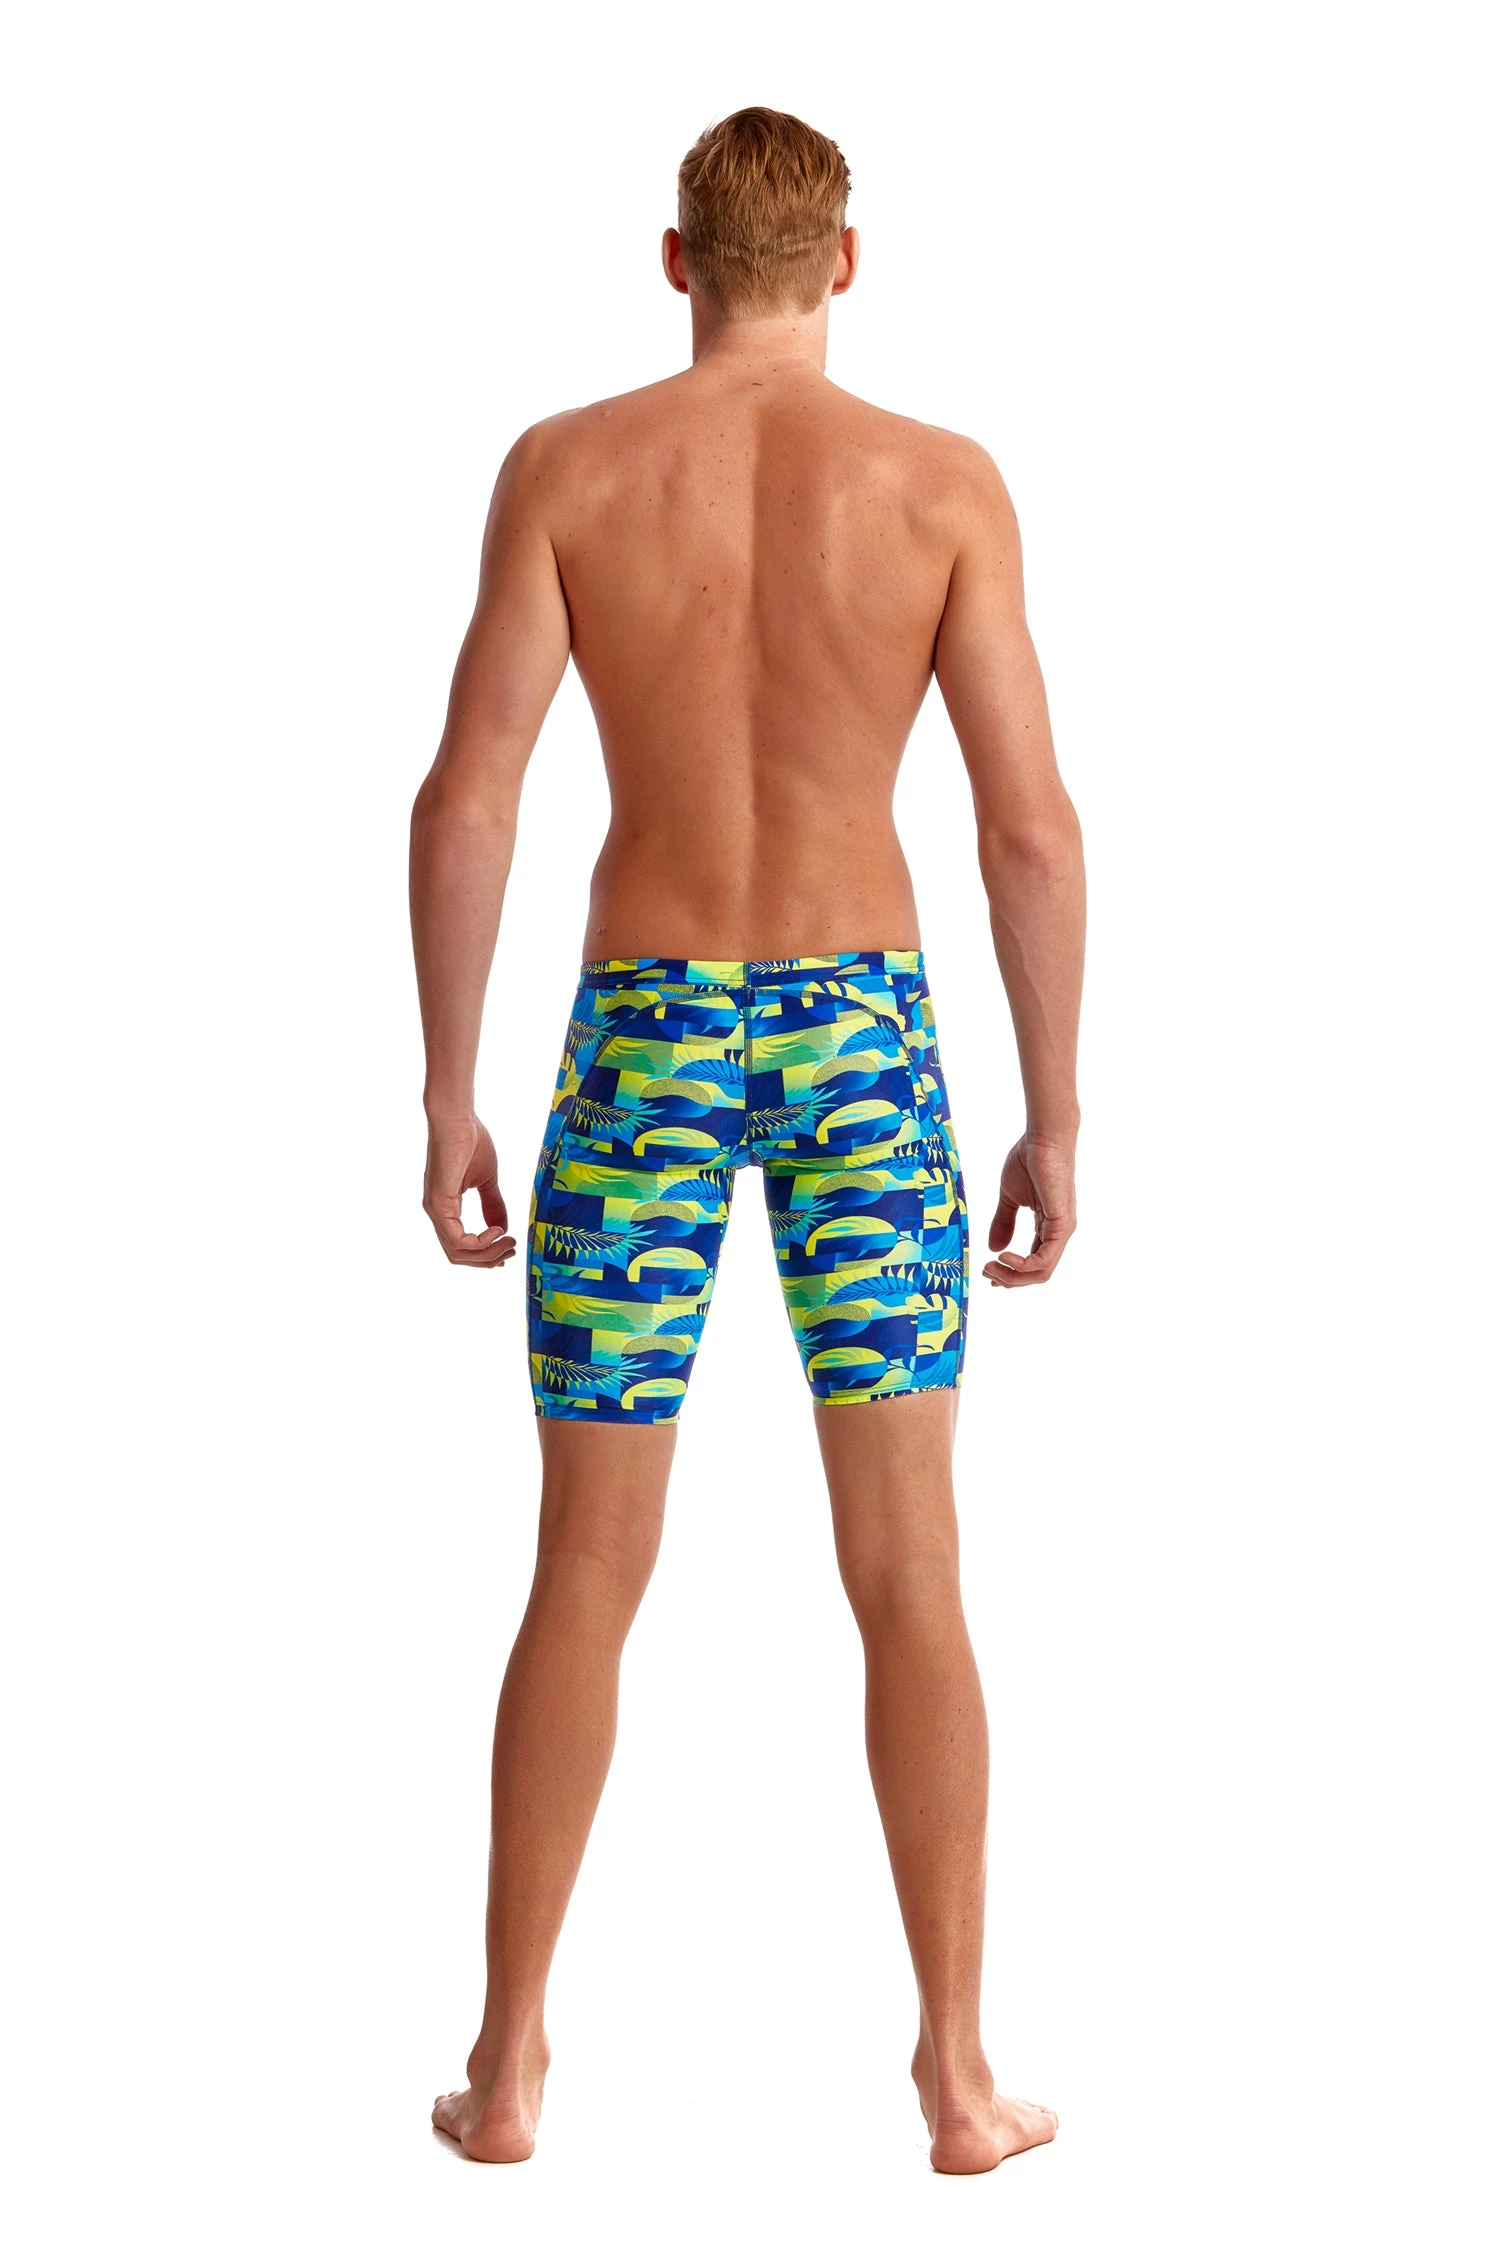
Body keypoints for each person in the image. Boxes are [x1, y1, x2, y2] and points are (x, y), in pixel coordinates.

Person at [410, 106, 1084, 2174]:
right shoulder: (941, 484)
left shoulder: (569, 470)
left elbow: (469, 795)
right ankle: (956, 2080)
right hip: (863, 1039)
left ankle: (506, 2070)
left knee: (583, 1562)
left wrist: (446, 1088)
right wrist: (1057, 1108)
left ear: (675, 261)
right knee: (911, 1567)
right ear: (848, 262)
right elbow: (1027, 828)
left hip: (646, 1030)